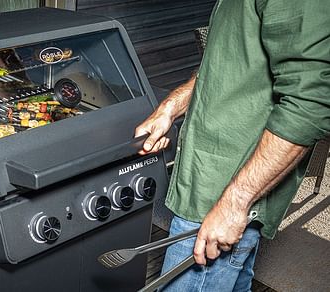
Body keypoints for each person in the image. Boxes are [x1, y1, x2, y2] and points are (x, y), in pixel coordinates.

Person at [135, 1, 329, 291]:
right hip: (205, 182)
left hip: (221, 196)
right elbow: (225, 64)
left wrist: (234, 205)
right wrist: (170, 108)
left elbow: (310, 105)